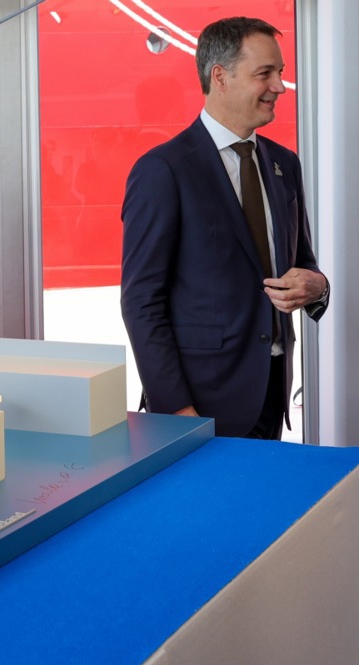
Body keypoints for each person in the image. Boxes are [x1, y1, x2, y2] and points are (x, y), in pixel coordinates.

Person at [121, 17, 330, 439]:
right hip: (197, 408)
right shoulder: (163, 170)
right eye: (264, 74)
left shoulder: (284, 164)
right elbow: (142, 301)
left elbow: (302, 262)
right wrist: (176, 408)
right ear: (220, 77)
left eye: (281, 73)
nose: (278, 87)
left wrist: (318, 287)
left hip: (270, 395)